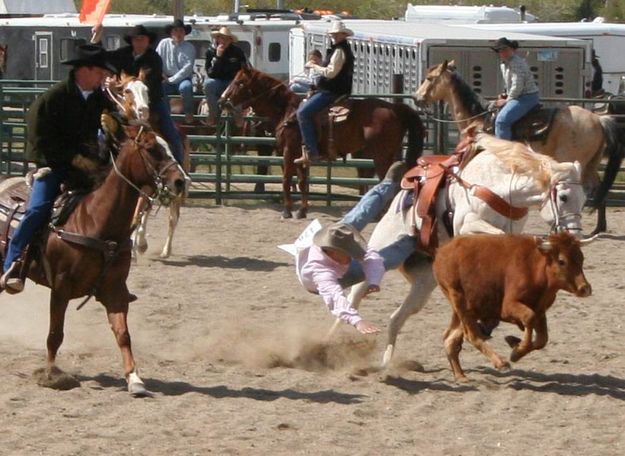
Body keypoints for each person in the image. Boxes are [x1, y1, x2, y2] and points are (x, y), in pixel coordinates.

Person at [0, 44, 117, 293]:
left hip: (89, 169)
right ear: (84, 70)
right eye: (100, 72)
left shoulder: (99, 100)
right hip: (53, 166)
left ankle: (110, 271)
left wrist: (116, 123)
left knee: (114, 204)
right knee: (38, 209)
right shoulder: (52, 99)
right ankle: (13, 260)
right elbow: (39, 136)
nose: (103, 77)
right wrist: (73, 158)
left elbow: (117, 122)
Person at [295, 161, 412, 334]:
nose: (353, 255)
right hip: (335, 278)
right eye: (349, 253)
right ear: (334, 253)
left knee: (359, 214)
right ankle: (413, 240)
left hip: (331, 244)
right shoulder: (321, 273)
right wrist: (357, 321)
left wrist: (373, 279)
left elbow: (369, 256)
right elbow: (335, 299)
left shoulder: (336, 238)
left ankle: (388, 184)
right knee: (389, 258)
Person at [106, 24, 185, 164]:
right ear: (131, 41)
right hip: (124, 102)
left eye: (142, 39)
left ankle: (179, 168)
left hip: (152, 101)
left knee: (172, 134)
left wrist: (122, 84)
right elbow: (104, 59)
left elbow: (149, 83)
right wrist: (110, 79)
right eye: (136, 39)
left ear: (148, 41)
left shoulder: (154, 59)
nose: (139, 42)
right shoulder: (121, 54)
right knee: (103, 126)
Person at [295, 21, 355, 167]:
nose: (334, 36)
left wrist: (314, 66)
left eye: (337, 34)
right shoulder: (340, 50)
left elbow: (331, 73)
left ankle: (312, 151)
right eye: (333, 34)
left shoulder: (339, 51)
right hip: (333, 89)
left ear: (343, 35)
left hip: (332, 91)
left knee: (303, 113)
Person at [491, 37, 540, 140]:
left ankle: (504, 152)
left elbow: (518, 85)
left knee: (501, 121)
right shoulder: (504, 64)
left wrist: (507, 100)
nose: (503, 52)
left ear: (512, 49)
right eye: (500, 50)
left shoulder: (516, 62)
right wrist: (505, 94)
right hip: (519, 96)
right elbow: (509, 83)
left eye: (505, 49)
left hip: (526, 97)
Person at [203, 26, 247, 128]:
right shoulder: (210, 51)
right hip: (218, 80)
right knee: (208, 84)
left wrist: (238, 80)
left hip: (233, 80)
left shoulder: (237, 52)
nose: (224, 41)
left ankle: (238, 115)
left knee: (238, 88)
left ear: (230, 40)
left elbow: (243, 68)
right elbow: (210, 73)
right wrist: (218, 57)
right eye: (221, 38)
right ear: (217, 39)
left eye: (226, 38)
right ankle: (213, 113)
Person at [156, 19, 196, 125]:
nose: (178, 33)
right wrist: (161, 74)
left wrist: (170, 80)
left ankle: (188, 112)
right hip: (165, 77)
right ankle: (164, 114)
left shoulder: (189, 47)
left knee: (186, 87)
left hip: (183, 79)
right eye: (176, 31)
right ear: (171, 32)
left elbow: (187, 68)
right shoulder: (163, 43)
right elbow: (156, 60)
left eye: (181, 31)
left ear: (184, 33)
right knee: (158, 89)